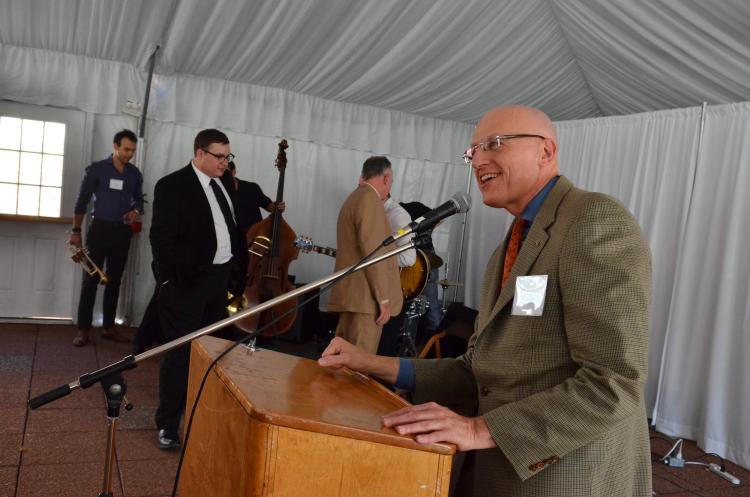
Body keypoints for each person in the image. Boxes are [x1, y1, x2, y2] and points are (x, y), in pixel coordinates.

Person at [319, 106, 652, 497]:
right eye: (473, 150)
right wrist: (370, 363)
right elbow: (476, 370)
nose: (477, 159)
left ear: (545, 151)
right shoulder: (509, 247)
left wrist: (478, 428)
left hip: (565, 477)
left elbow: (613, 384)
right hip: (497, 471)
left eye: (494, 144)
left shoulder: (593, 220)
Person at [150, 128, 247, 449]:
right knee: (179, 355)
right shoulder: (172, 185)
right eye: (220, 156)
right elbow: (161, 239)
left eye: (228, 156)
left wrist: (237, 275)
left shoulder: (224, 186)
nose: (225, 162)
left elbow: (232, 232)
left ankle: (199, 417)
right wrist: (168, 280)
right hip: (186, 285)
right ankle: (167, 424)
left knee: (213, 353)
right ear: (199, 154)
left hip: (218, 284)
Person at [70, 129, 143, 346]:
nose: (129, 154)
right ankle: (83, 329)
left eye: (133, 150)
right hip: (99, 230)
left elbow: (139, 200)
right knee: (91, 279)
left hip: (122, 232)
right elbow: (81, 201)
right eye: (126, 149)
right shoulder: (97, 170)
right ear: (115, 146)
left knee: (114, 280)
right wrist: (76, 231)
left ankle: (109, 327)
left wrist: (135, 211)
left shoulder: (134, 174)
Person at [327, 156, 403, 353]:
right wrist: (383, 298)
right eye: (391, 181)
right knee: (357, 367)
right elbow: (374, 253)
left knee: (341, 361)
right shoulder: (370, 200)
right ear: (386, 178)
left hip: (353, 297)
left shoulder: (355, 197)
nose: (390, 186)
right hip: (366, 302)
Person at [400, 201, 442, 338]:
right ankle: (431, 345)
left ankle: (414, 343)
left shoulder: (404, 211)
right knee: (431, 307)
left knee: (410, 307)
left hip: (421, 261)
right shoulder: (415, 208)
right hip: (424, 260)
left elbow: (439, 218)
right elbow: (439, 218)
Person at [226, 160, 285, 237]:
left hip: (257, 238)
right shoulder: (218, 192)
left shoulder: (251, 187)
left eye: (226, 172)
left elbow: (269, 207)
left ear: (234, 172)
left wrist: (277, 206)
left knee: (297, 244)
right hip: (234, 240)